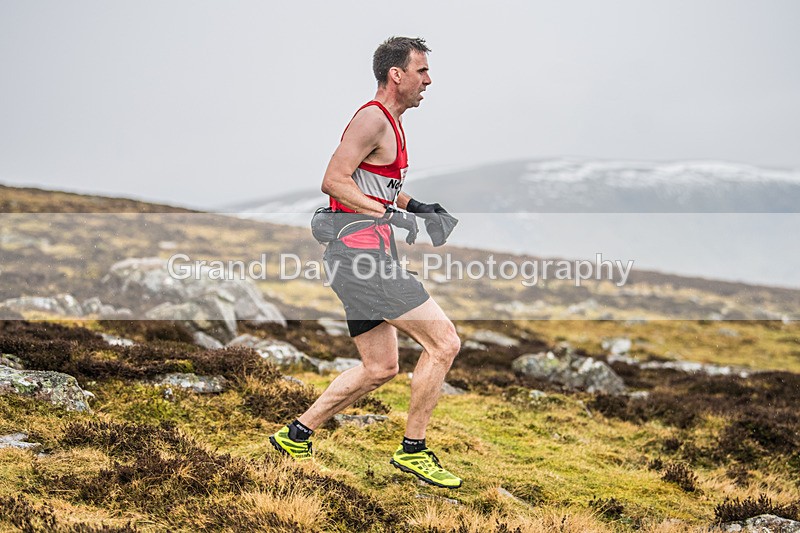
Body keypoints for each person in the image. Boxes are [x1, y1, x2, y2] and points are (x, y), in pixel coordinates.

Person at [269, 36, 463, 489]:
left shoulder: (391, 123)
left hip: (359, 258)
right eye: (422, 71)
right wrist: (390, 215)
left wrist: (418, 208)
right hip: (362, 259)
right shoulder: (372, 119)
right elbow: (333, 181)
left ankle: (296, 435)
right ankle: (413, 450)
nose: (429, 80)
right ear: (397, 75)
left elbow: (373, 186)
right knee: (445, 343)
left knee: (380, 367)